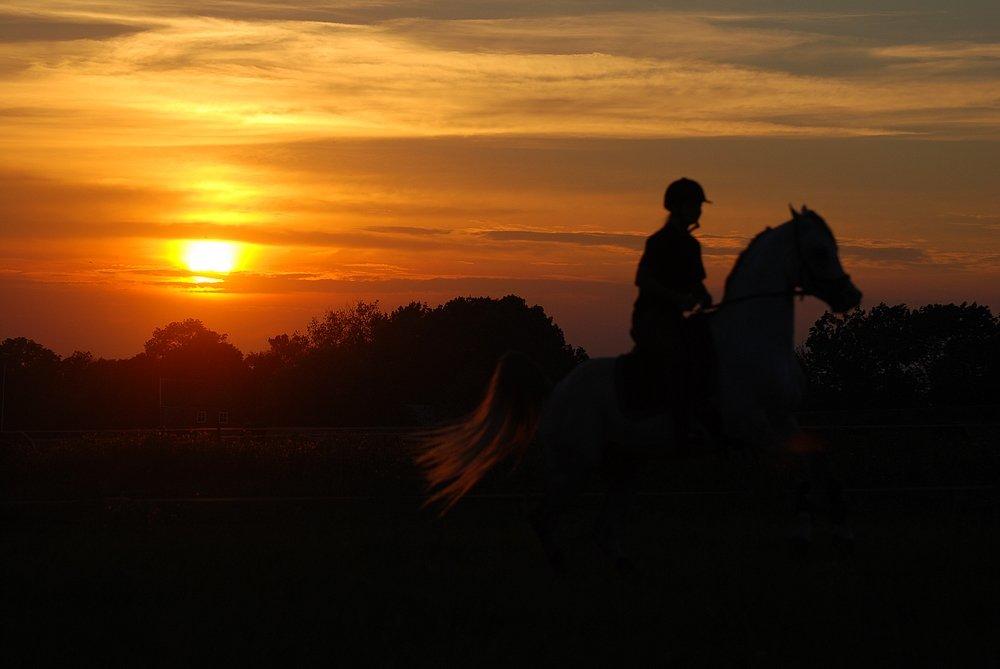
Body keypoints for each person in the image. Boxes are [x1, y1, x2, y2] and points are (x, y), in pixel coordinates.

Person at [628, 177, 714, 443]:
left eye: (699, 205)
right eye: (695, 205)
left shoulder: (692, 246)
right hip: (651, 319)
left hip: (675, 319)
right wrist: (677, 299)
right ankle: (679, 426)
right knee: (678, 357)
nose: (699, 210)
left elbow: (696, 282)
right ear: (678, 207)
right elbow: (643, 280)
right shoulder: (659, 242)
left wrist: (705, 296)